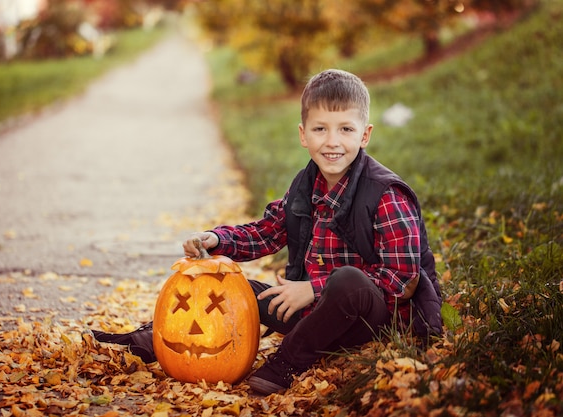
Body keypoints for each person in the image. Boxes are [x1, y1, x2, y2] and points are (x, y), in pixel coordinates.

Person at [92, 69, 443, 395]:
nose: (332, 141)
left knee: (349, 281)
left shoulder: (386, 195)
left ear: (364, 135)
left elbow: (402, 280)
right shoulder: (306, 186)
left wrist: (314, 288)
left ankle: (288, 362)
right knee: (230, 286)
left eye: (345, 129)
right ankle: (154, 339)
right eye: (320, 129)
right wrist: (218, 240)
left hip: (365, 318)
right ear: (303, 135)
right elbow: (266, 232)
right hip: (307, 311)